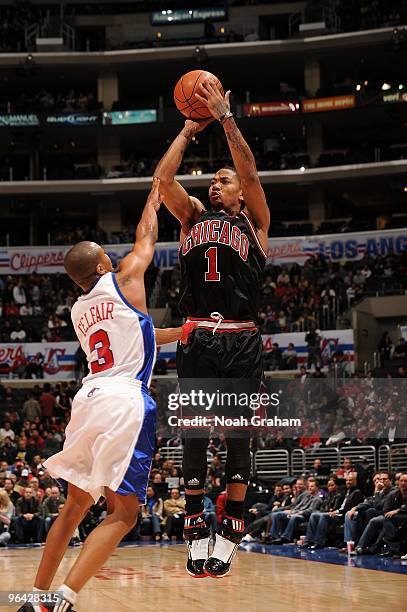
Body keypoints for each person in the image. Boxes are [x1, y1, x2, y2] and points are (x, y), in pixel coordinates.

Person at [17, 179, 195, 612]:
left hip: (89, 398)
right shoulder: (125, 280)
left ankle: (35, 596)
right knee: (125, 514)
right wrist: (156, 193)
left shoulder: (80, 311)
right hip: (123, 402)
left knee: (75, 504)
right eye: (105, 257)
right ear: (100, 268)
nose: (113, 259)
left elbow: (140, 337)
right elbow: (147, 236)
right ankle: (60, 600)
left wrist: (184, 333)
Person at [155, 77, 270, 578]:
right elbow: (163, 183)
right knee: (196, 438)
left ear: (242, 192)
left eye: (223, 180)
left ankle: (235, 524)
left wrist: (225, 117)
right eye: (213, 180)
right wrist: (186, 132)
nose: (214, 184)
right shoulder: (192, 218)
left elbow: (247, 166)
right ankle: (197, 524)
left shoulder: (256, 223)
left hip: (242, 337)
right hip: (199, 334)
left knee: (240, 439)